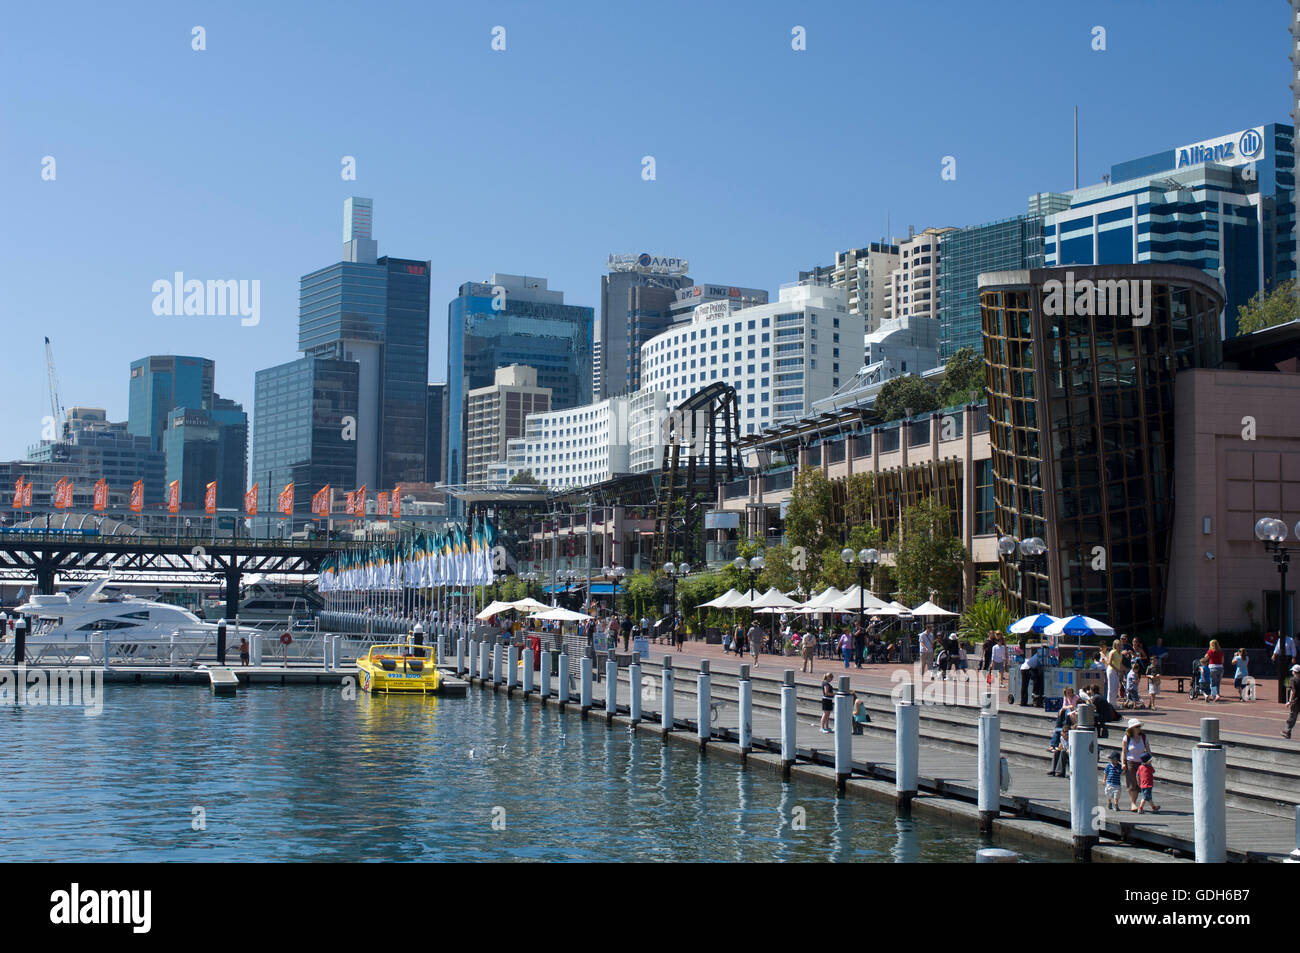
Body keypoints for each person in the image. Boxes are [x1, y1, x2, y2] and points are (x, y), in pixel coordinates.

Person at [1122, 719, 1153, 812]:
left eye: (1139, 726)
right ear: (1132, 729)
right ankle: (1133, 803)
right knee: (1132, 783)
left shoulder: (1144, 737)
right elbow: (1124, 751)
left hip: (1142, 763)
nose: (1139, 728)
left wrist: (1150, 761)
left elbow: (1148, 749)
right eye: (1137, 727)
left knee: (1141, 783)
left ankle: (1138, 802)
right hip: (1130, 762)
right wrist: (1123, 763)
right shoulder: (1127, 738)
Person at [1275, 632, 1298, 703]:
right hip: (1280, 657)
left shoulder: (1290, 640)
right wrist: (1274, 654)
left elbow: (1293, 648)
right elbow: (1277, 648)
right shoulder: (1279, 640)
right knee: (1281, 673)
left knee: (1287, 673)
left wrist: (1293, 657)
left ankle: (1288, 685)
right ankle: (1284, 686)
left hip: (1288, 657)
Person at [1106, 639, 1125, 708]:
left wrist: (1123, 670)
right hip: (1111, 670)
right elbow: (1109, 662)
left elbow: (1120, 663)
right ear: (1115, 646)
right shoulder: (1112, 652)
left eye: (1120, 645)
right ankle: (1109, 703)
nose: (1119, 646)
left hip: (1117, 671)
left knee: (1116, 687)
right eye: (1118, 645)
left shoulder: (1120, 653)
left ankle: (1113, 702)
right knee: (1111, 687)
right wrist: (1117, 669)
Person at [1283, 664, 1300, 739]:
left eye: (1293, 671)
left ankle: (1287, 731)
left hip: (1296, 701)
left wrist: (1290, 701)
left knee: (1292, 717)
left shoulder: (1293, 680)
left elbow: (1293, 691)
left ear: (1295, 672)